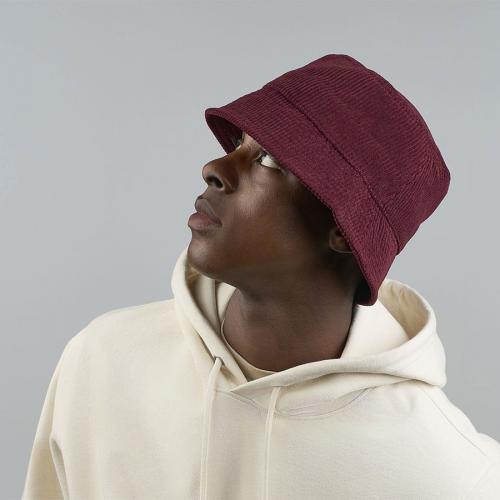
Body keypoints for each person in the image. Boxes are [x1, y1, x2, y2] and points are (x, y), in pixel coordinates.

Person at [22, 54, 500, 499]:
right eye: (237, 145)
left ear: (342, 228)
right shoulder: (104, 361)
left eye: (269, 159)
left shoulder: (452, 475)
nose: (214, 168)